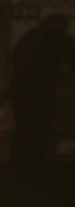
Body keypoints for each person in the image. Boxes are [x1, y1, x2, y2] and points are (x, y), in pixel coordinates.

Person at [9, 12, 75, 173]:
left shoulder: (30, 36)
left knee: (24, 126)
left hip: (22, 91)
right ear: (59, 25)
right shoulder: (57, 38)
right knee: (40, 127)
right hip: (41, 91)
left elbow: (14, 59)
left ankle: (18, 162)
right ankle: (34, 162)